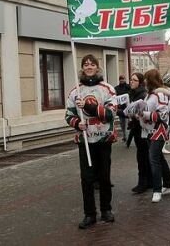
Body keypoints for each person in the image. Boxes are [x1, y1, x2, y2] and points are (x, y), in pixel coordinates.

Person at [65, 54, 117, 229]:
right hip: (85, 140)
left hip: (103, 139)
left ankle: (106, 210)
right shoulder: (75, 91)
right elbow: (68, 115)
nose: (88, 67)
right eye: (85, 64)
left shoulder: (107, 89)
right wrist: (77, 124)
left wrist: (87, 106)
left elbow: (110, 114)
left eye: (92, 64)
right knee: (86, 179)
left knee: (104, 176)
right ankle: (89, 214)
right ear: (82, 68)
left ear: (97, 67)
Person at [140, 69, 170, 203]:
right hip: (148, 129)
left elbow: (163, 114)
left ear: (151, 80)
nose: (144, 81)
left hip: (159, 130)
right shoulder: (150, 94)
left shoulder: (161, 94)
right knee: (159, 158)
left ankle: (157, 190)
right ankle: (168, 184)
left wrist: (145, 114)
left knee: (153, 159)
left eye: (146, 78)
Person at [125, 72, 152, 194]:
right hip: (136, 128)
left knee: (142, 156)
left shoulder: (142, 95)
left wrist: (129, 113)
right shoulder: (132, 93)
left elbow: (143, 111)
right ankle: (149, 180)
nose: (131, 82)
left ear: (140, 82)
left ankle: (143, 182)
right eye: (131, 79)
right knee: (143, 155)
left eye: (134, 80)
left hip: (142, 128)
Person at [115, 74, 131, 142]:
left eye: (123, 79)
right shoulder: (116, 88)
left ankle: (127, 137)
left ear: (125, 79)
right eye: (120, 79)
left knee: (127, 123)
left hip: (127, 108)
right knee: (122, 123)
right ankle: (124, 137)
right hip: (120, 108)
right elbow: (115, 97)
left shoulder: (128, 87)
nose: (122, 80)